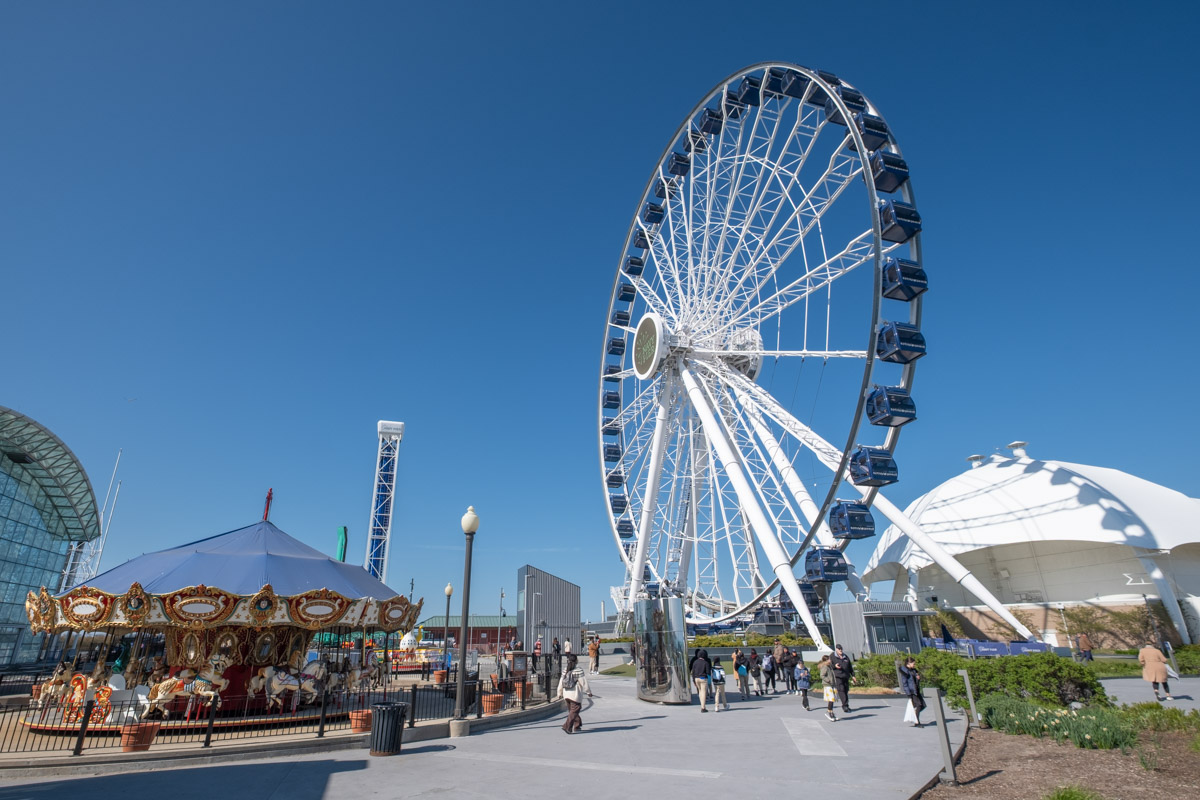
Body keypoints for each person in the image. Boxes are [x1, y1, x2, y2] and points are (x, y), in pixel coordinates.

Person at [556, 653, 593, 734]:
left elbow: (561, 682)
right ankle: (567, 726)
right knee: (575, 710)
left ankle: (577, 725)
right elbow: (584, 682)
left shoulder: (565, 669)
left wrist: (559, 693)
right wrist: (588, 692)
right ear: (576, 660)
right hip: (575, 695)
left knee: (573, 711)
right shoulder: (578, 670)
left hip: (566, 695)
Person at [899, 656, 926, 727]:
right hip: (912, 691)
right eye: (913, 664)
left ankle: (914, 716)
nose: (914, 665)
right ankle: (917, 722)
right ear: (908, 663)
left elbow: (914, 681)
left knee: (923, 705)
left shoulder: (913, 670)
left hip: (916, 690)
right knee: (919, 705)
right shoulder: (905, 671)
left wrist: (918, 678)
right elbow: (905, 683)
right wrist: (908, 693)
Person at [830, 644, 854, 714]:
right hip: (838, 676)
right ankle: (845, 705)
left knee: (846, 690)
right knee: (841, 690)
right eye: (839, 649)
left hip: (845, 676)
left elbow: (850, 666)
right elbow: (829, 665)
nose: (840, 650)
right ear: (836, 649)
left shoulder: (845, 656)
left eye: (841, 649)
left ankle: (846, 704)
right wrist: (834, 666)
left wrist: (853, 675)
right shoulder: (832, 656)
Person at [690, 648, 712, 712]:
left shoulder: (695, 662)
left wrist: (693, 680)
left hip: (696, 678)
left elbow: (693, 672)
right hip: (703, 678)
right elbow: (708, 672)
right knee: (704, 692)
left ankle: (702, 704)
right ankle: (703, 707)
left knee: (700, 692)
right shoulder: (706, 662)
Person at [818, 654, 837, 721]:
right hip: (827, 685)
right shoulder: (825, 667)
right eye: (829, 659)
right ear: (826, 660)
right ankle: (829, 712)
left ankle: (831, 711)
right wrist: (828, 680)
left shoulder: (829, 666)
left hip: (832, 684)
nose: (830, 660)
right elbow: (822, 675)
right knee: (831, 699)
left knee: (833, 699)